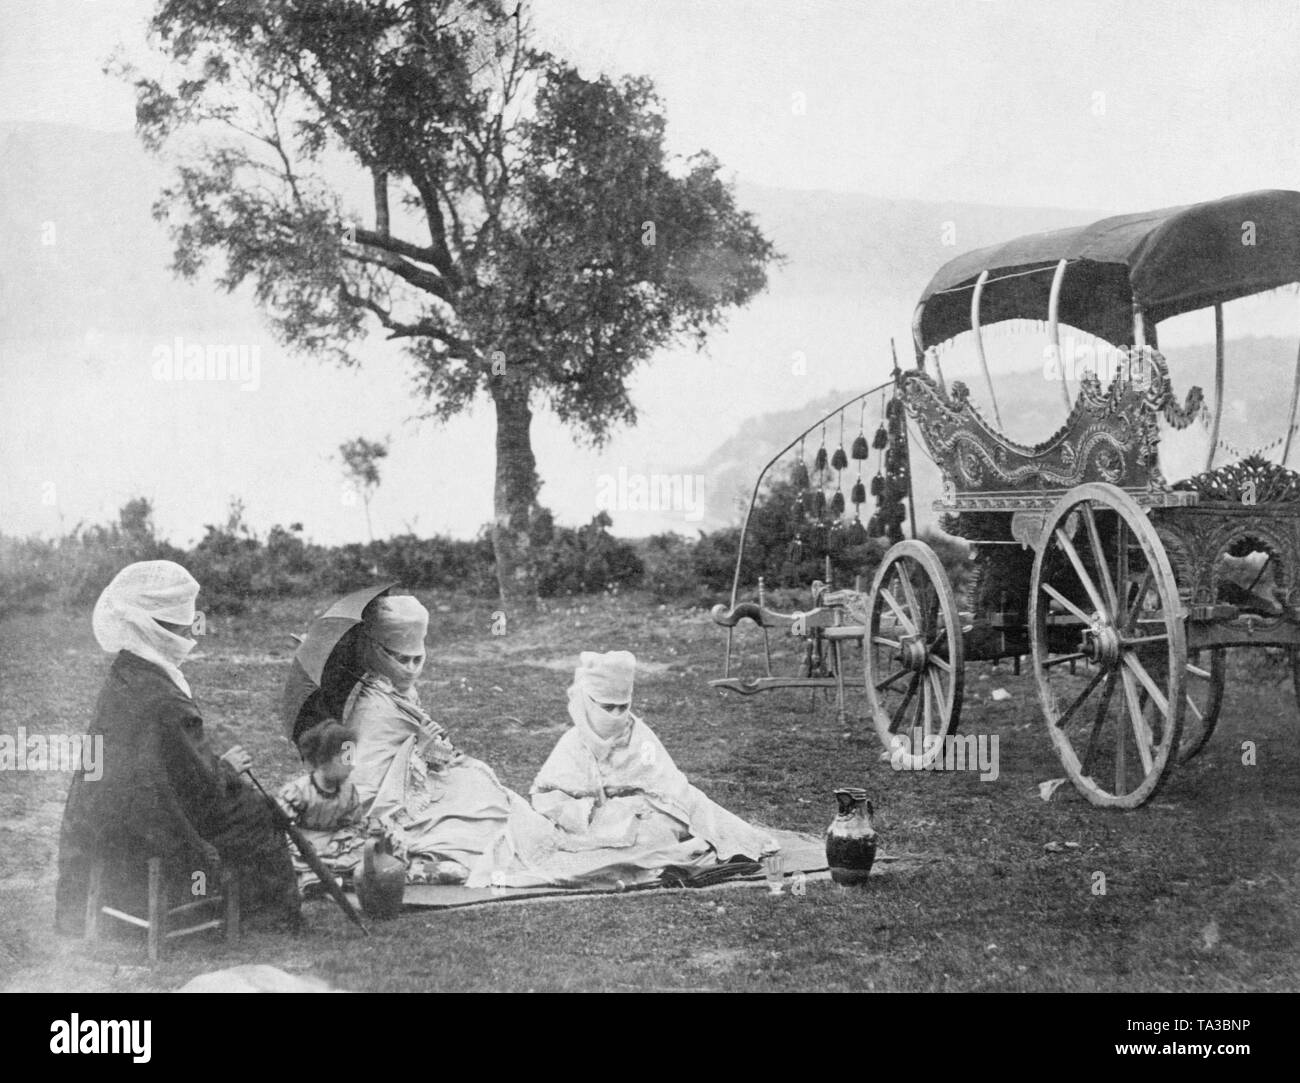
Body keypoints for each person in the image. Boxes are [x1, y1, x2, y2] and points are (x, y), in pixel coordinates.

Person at [55, 560, 299, 934]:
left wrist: (209, 758)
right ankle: (262, 915)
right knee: (259, 812)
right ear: (164, 629)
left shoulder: (127, 672)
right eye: (183, 623)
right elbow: (200, 788)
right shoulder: (164, 697)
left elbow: (164, 763)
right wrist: (227, 767)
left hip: (103, 817)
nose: (190, 628)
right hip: (148, 826)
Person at [527, 651, 775, 868]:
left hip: (642, 815)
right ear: (589, 703)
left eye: (622, 707)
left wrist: (640, 805)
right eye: (607, 707)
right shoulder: (573, 743)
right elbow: (549, 799)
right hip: (595, 823)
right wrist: (601, 810)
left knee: (674, 822)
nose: (616, 716)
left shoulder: (640, 736)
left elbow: (668, 786)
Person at [343, 594, 517, 884]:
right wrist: (421, 746)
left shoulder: (401, 694)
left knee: (479, 781)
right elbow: (371, 776)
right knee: (474, 799)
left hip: (413, 782)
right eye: (401, 659)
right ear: (379, 653)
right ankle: (436, 859)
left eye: (417, 659)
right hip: (383, 804)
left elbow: (419, 743)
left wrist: (430, 745)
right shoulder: (374, 705)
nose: (410, 668)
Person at [275, 719, 369, 896]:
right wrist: (305, 847)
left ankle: (340, 877)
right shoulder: (299, 791)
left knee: (370, 846)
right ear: (324, 759)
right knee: (291, 861)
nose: (352, 765)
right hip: (303, 847)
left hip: (335, 845)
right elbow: (282, 828)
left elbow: (355, 824)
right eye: (346, 759)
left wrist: (338, 842)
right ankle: (317, 882)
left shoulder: (348, 791)